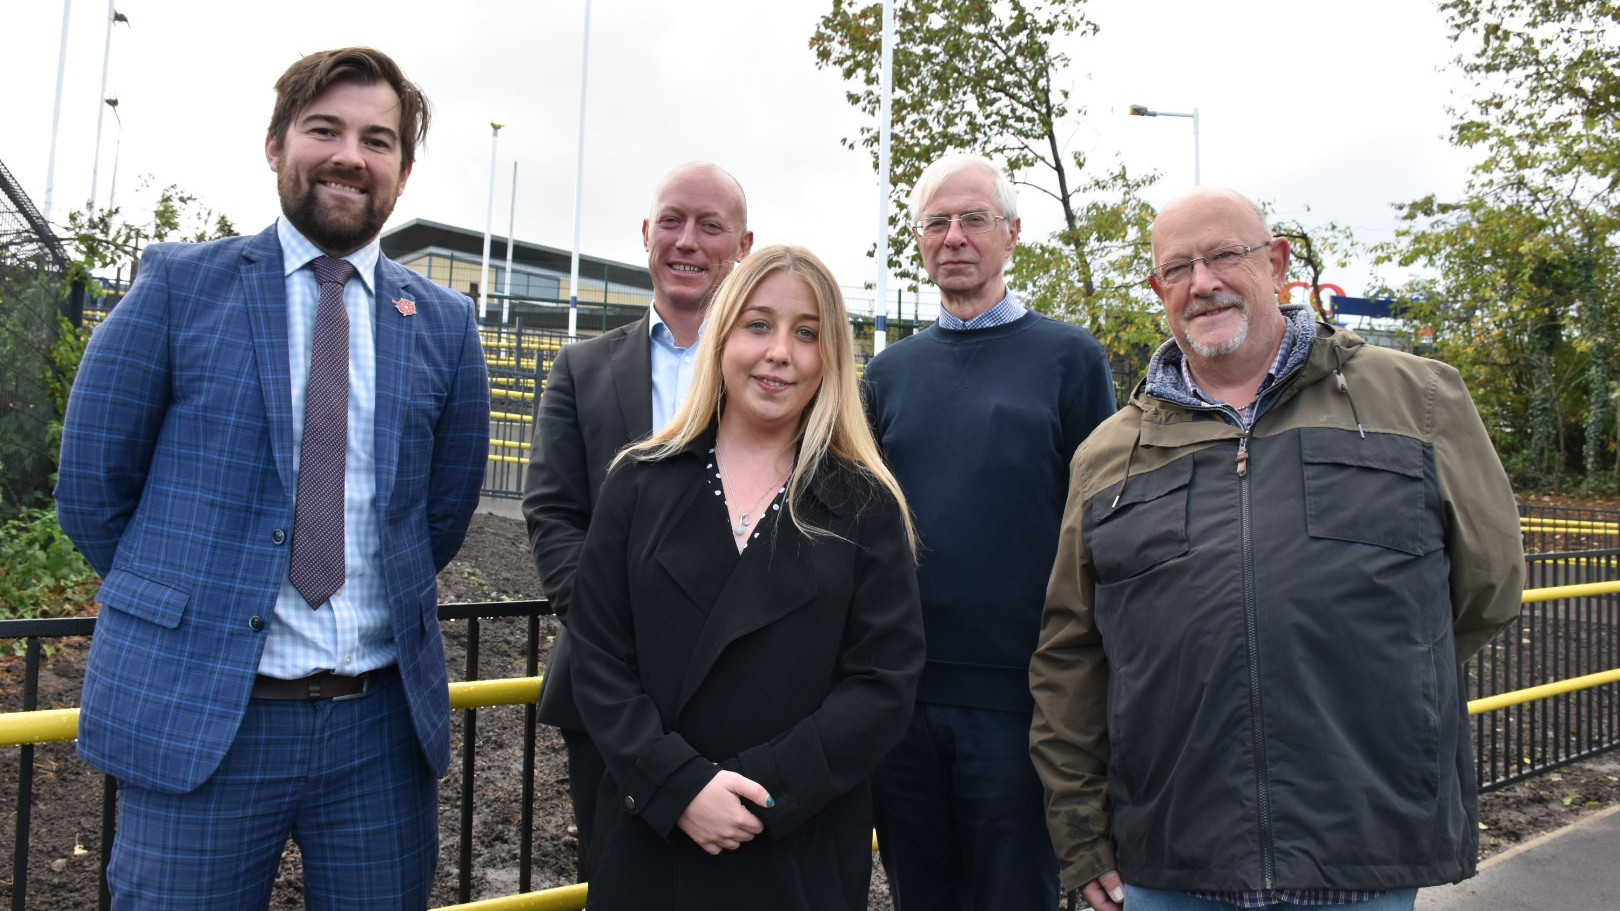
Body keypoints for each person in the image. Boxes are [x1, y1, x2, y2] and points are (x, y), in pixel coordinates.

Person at [55, 47, 490, 911]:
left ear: (401, 172)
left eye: (378, 140)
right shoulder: (181, 286)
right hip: (205, 718)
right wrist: (193, 597)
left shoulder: (442, 323)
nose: (349, 156)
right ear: (275, 144)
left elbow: (439, 513)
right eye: (323, 129)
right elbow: (93, 487)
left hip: (378, 735)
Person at [1029, 186, 1525, 911]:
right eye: (1178, 268)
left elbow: (1489, 588)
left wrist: (1375, 678)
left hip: (1363, 848)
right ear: (1158, 289)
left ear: (1279, 264)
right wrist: (1081, 836)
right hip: (1172, 857)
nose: (1203, 283)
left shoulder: (1416, 401)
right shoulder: (1109, 457)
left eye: (1225, 255)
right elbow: (1071, 656)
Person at [562, 245, 924, 909]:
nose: (780, 351)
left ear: (831, 358)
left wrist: (762, 789)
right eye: (759, 324)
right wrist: (679, 785)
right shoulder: (639, 482)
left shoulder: (866, 503)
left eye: (806, 332)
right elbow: (597, 657)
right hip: (655, 837)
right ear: (722, 335)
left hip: (796, 848)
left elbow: (884, 680)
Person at [864, 152, 1117, 910]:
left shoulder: (1071, 359)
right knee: (922, 894)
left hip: (1023, 702)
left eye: (973, 218)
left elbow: (1099, 522)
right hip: (903, 698)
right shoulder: (887, 375)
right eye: (935, 222)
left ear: (1012, 232)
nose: (953, 236)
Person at [522, 161, 753, 878]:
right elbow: (553, 513)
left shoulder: (781, 369)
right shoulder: (581, 367)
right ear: (647, 234)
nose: (688, 241)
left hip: (750, 692)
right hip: (609, 696)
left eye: (710, 225)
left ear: (744, 246)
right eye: (673, 222)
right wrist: (616, 628)